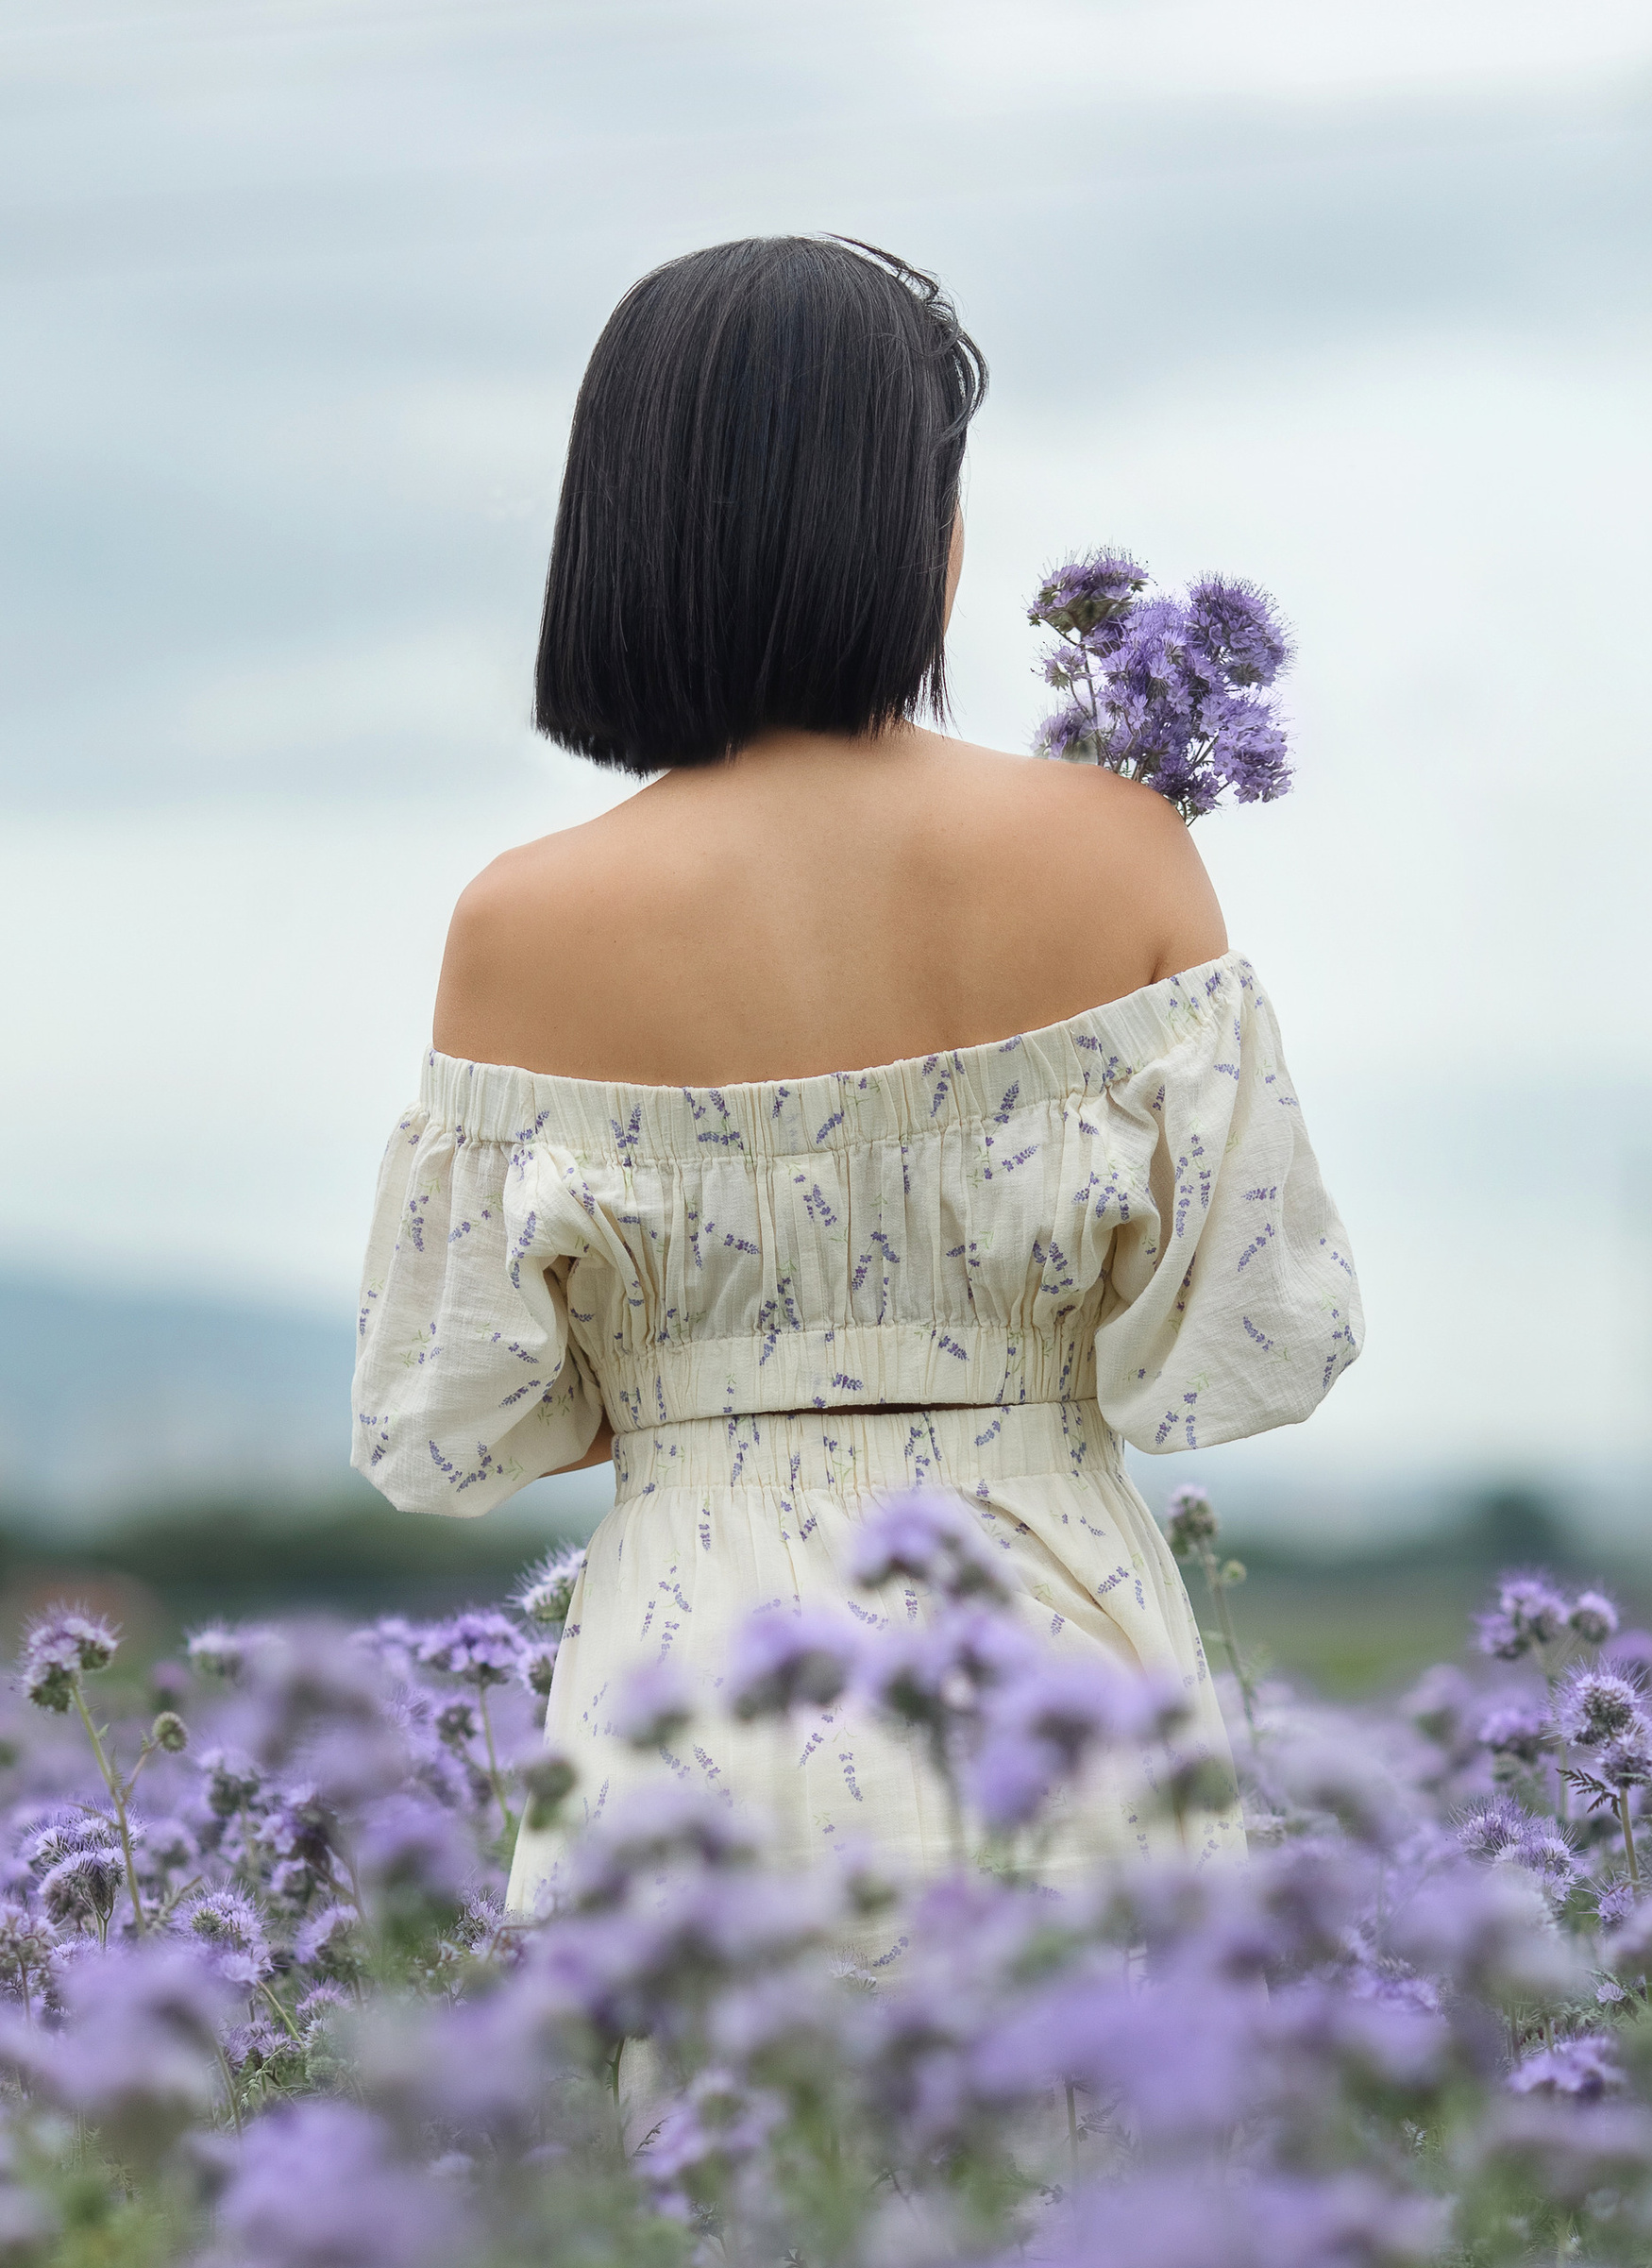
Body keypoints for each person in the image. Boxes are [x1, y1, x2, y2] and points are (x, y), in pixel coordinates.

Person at [348, 235, 1364, 1938]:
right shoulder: (1119, 854)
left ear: (617, 530)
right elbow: (1251, 1336)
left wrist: (696, 1379)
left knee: (750, 2173)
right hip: (1056, 1656)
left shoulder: (521, 925)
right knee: (1119, 2168)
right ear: (921, 533)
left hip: (691, 1693)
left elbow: (446, 1427)